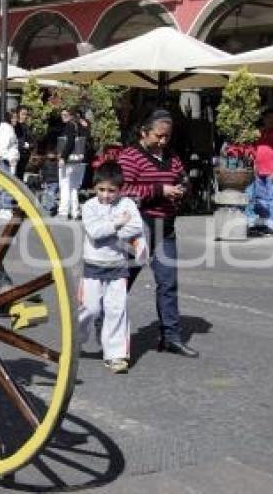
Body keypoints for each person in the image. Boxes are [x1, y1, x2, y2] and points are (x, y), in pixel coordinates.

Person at [119, 109, 199, 358]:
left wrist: (183, 188)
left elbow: (183, 178)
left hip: (166, 227)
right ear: (144, 132)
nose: (163, 141)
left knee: (168, 283)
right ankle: (108, 327)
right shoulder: (130, 156)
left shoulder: (172, 157)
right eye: (159, 136)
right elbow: (122, 191)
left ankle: (170, 336)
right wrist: (159, 190)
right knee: (123, 281)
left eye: (167, 137)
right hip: (139, 226)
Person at [79, 162, 143, 374]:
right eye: (101, 190)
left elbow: (136, 227)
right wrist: (117, 224)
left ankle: (116, 355)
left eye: (111, 190)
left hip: (118, 267)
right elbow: (95, 232)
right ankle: (75, 341)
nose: (106, 195)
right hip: (92, 266)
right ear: (94, 187)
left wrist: (114, 230)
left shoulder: (127, 204)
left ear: (120, 189)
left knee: (116, 310)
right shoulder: (88, 206)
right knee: (90, 309)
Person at [249, 109, 273, 236]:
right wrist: (255, 166)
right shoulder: (260, 134)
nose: (271, 120)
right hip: (259, 172)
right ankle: (264, 223)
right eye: (268, 118)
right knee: (260, 199)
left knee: (272, 199)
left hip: (272, 171)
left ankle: (272, 225)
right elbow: (255, 152)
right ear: (264, 119)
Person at [57, 107, 85, 220]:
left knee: (64, 185)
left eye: (66, 115)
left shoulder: (69, 125)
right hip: (78, 160)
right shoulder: (80, 125)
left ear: (71, 115)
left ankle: (63, 212)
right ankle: (75, 211)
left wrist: (63, 157)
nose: (63, 117)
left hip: (69, 160)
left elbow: (70, 142)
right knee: (73, 187)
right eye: (62, 115)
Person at [0, 111, 20, 219]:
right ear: (8, 118)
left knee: (7, 184)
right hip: (8, 160)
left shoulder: (7, 128)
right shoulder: (7, 129)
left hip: (8, 158)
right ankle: (6, 208)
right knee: (9, 184)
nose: (16, 119)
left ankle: (4, 207)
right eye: (14, 117)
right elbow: (3, 146)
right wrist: (9, 158)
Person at [14, 105, 33, 181]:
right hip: (17, 155)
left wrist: (30, 145)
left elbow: (32, 140)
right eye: (23, 114)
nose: (25, 116)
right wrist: (22, 145)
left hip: (24, 156)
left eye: (26, 114)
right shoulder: (15, 126)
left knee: (20, 177)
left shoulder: (27, 127)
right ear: (18, 114)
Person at [40, 147, 60, 215]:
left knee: (51, 194)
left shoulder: (57, 163)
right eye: (50, 154)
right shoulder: (45, 163)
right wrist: (42, 181)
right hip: (47, 181)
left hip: (55, 181)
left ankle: (51, 208)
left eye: (53, 154)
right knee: (46, 194)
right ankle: (48, 206)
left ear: (55, 155)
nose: (51, 155)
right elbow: (43, 173)